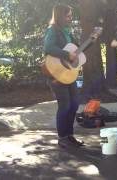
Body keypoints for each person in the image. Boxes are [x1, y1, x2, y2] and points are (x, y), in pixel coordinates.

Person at [43, 4, 84, 148]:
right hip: (56, 73)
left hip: (68, 74)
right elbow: (48, 48)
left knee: (74, 104)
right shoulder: (52, 30)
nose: (70, 18)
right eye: (68, 16)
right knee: (65, 105)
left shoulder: (67, 32)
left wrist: (92, 40)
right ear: (60, 16)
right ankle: (62, 138)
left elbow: (77, 50)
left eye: (71, 16)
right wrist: (67, 54)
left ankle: (70, 135)